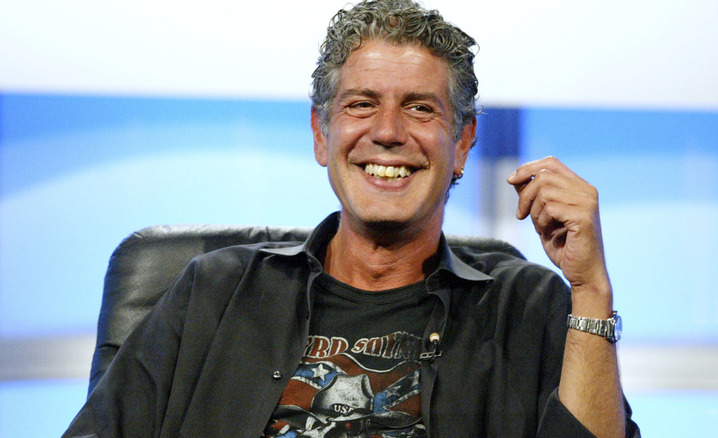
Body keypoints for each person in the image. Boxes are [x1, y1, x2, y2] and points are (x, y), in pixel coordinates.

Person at [63, 0, 640, 436]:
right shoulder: (212, 292)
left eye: (420, 108)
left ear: (462, 142)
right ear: (321, 133)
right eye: (361, 104)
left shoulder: (527, 307)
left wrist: (589, 288)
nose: (387, 132)